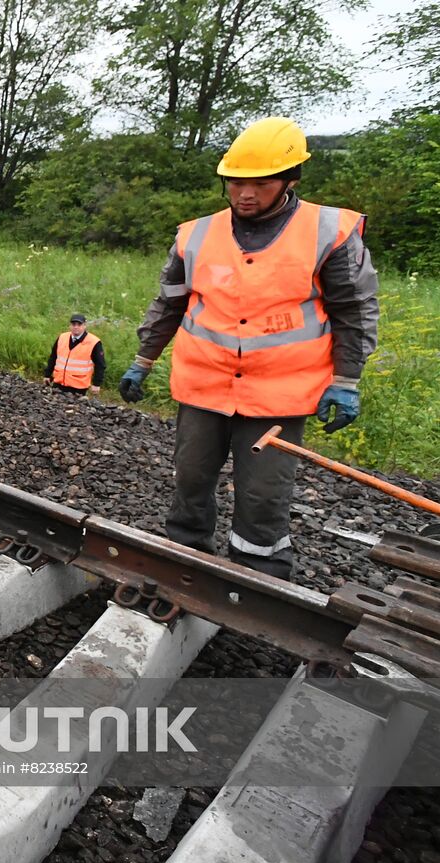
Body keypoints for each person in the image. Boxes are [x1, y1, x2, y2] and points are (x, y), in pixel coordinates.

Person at [118, 117, 379, 580]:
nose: (246, 194)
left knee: (264, 493)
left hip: (279, 395)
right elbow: (169, 304)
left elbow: (353, 312)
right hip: (203, 386)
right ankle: (185, 559)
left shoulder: (329, 232)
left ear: (290, 179)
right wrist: (143, 361)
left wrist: (346, 381)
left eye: (260, 183)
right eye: (236, 182)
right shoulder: (195, 234)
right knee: (191, 477)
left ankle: (258, 578)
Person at [43, 313, 105, 395]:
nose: (76, 327)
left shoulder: (94, 342)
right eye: (73, 324)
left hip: (78, 387)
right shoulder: (62, 337)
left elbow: (100, 365)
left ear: (84, 326)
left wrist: (97, 383)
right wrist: (47, 374)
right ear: (70, 325)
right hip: (59, 383)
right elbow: (53, 357)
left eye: (79, 324)